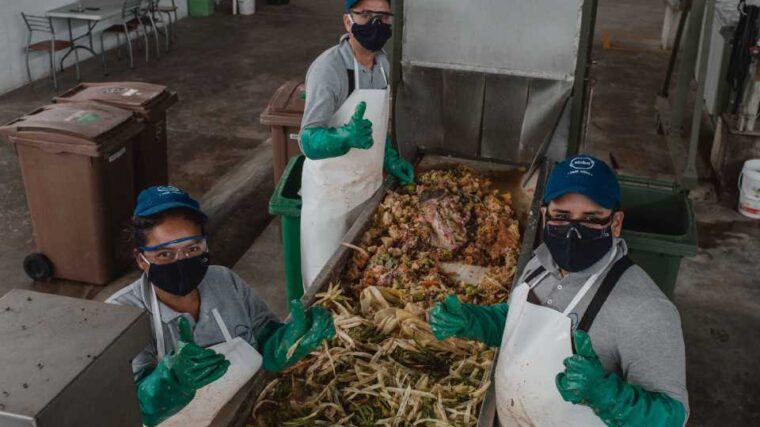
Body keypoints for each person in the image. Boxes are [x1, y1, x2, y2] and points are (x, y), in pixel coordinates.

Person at [428, 155, 688, 426]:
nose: (573, 231)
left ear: (616, 223)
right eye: (561, 217)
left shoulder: (646, 310)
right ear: (544, 216)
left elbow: (673, 417)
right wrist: (474, 321)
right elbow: (520, 327)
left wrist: (609, 396)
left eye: (591, 219)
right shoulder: (540, 264)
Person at [107, 186, 335, 426]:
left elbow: (265, 337)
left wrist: (286, 343)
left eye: (192, 249)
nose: (182, 261)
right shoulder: (120, 314)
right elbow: (127, 408)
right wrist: (171, 383)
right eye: (165, 254)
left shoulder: (225, 282)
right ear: (141, 259)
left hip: (251, 413)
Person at [299, 0, 415, 289]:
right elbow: (308, 140)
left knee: (364, 280)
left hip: (368, 190)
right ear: (348, 22)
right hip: (331, 199)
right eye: (365, 15)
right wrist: (344, 137)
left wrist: (389, 158)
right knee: (326, 288)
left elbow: (377, 127)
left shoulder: (384, 65)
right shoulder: (329, 68)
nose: (375, 23)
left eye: (382, 16)